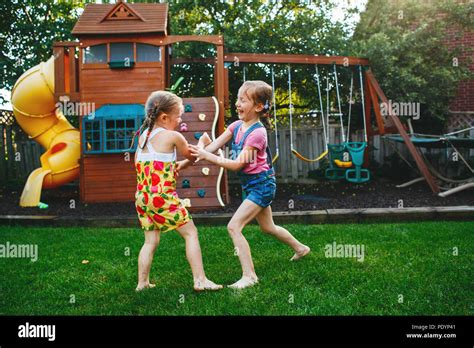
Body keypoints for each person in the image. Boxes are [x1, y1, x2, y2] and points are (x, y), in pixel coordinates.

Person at [188, 81, 310, 289]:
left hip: (262, 186)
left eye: (243, 100)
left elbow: (237, 164)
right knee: (268, 227)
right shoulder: (236, 126)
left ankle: (250, 276)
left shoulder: (257, 134)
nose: (237, 104)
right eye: (237, 99)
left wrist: (206, 153)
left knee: (234, 227)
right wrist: (198, 150)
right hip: (252, 186)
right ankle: (301, 248)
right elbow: (214, 147)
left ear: (259, 106)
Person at [131, 90, 222, 292]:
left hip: (143, 199)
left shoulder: (143, 137)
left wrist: (175, 167)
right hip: (163, 198)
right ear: (164, 117)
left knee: (150, 241)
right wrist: (203, 143)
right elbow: (194, 157)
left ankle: (142, 283)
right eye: (178, 116)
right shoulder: (174, 136)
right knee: (191, 233)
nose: (181, 120)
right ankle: (200, 281)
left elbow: (158, 165)